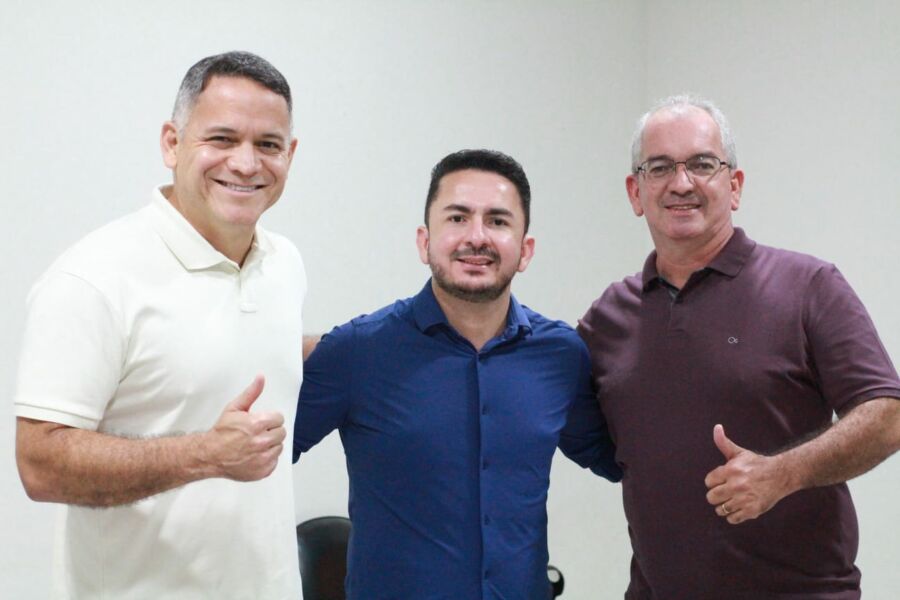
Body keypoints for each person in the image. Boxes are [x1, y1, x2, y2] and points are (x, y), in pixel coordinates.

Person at [578, 94, 900, 599]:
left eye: (702, 164)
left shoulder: (808, 286)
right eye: (659, 167)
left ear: (734, 185)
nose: (681, 183)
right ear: (635, 192)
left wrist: (783, 473)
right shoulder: (608, 317)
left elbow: (887, 414)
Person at [14, 51, 305, 598]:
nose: (246, 164)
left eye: (268, 144)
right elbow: (41, 464)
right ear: (172, 143)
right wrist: (206, 454)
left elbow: (232, 352)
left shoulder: (284, 263)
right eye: (222, 139)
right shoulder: (91, 279)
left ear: (290, 155)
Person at [294, 149, 621, 599]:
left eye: (498, 221)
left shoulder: (561, 356)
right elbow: (258, 458)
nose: (477, 237)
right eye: (458, 218)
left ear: (525, 250)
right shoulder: (358, 352)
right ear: (424, 241)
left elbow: (620, 459)